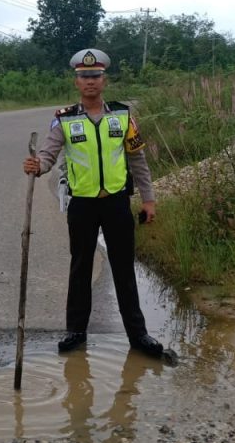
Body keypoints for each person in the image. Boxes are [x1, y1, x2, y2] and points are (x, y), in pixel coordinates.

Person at [22, 48, 163, 357]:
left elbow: (137, 160)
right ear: (77, 82)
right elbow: (48, 154)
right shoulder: (64, 120)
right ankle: (76, 331)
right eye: (84, 77)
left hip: (116, 203)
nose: (90, 82)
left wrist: (148, 200)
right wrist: (38, 166)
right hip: (82, 206)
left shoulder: (123, 116)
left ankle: (138, 336)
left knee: (124, 268)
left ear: (104, 80)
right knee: (80, 267)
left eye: (95, 76)